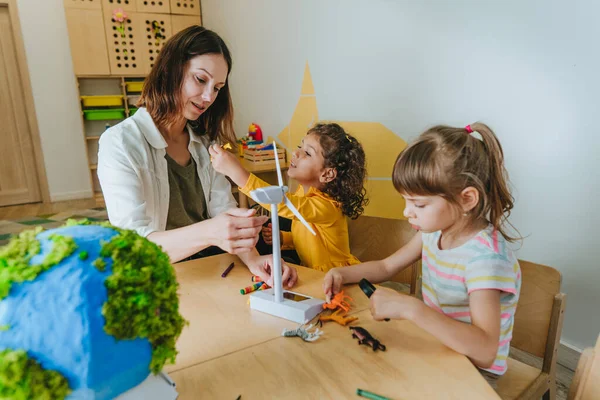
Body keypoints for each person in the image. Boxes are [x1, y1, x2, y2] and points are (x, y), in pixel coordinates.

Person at [322, 122, 521, 386]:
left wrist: (412, 308)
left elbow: (485, 352)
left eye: (419, 204)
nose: (407, 212)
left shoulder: (485, 260)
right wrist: (341, 273)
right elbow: (385, 267)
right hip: (437, 346)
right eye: (406, 200)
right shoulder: (434, 232)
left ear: (466, 199)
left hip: (475, 372)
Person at [97, 26, 296, 287]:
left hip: (212, 267)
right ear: (171, 70)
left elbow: (222, 208)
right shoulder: (120, 142)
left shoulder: (203, 144)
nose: (208, 97)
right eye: (201, 80)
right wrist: (211, 232)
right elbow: (134, 244)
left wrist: (254, 259)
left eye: (217, 88)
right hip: (159, 274)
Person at [210, 122, 369, 272]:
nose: (296, 152)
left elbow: (282, 203)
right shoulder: (302, 192)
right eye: (300, 146)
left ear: (327, 174)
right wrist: (283, 238)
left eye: (307, 153)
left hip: (337, 278)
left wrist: (237, 174)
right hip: (313, 274)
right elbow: (311, 237)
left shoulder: (328, 207)